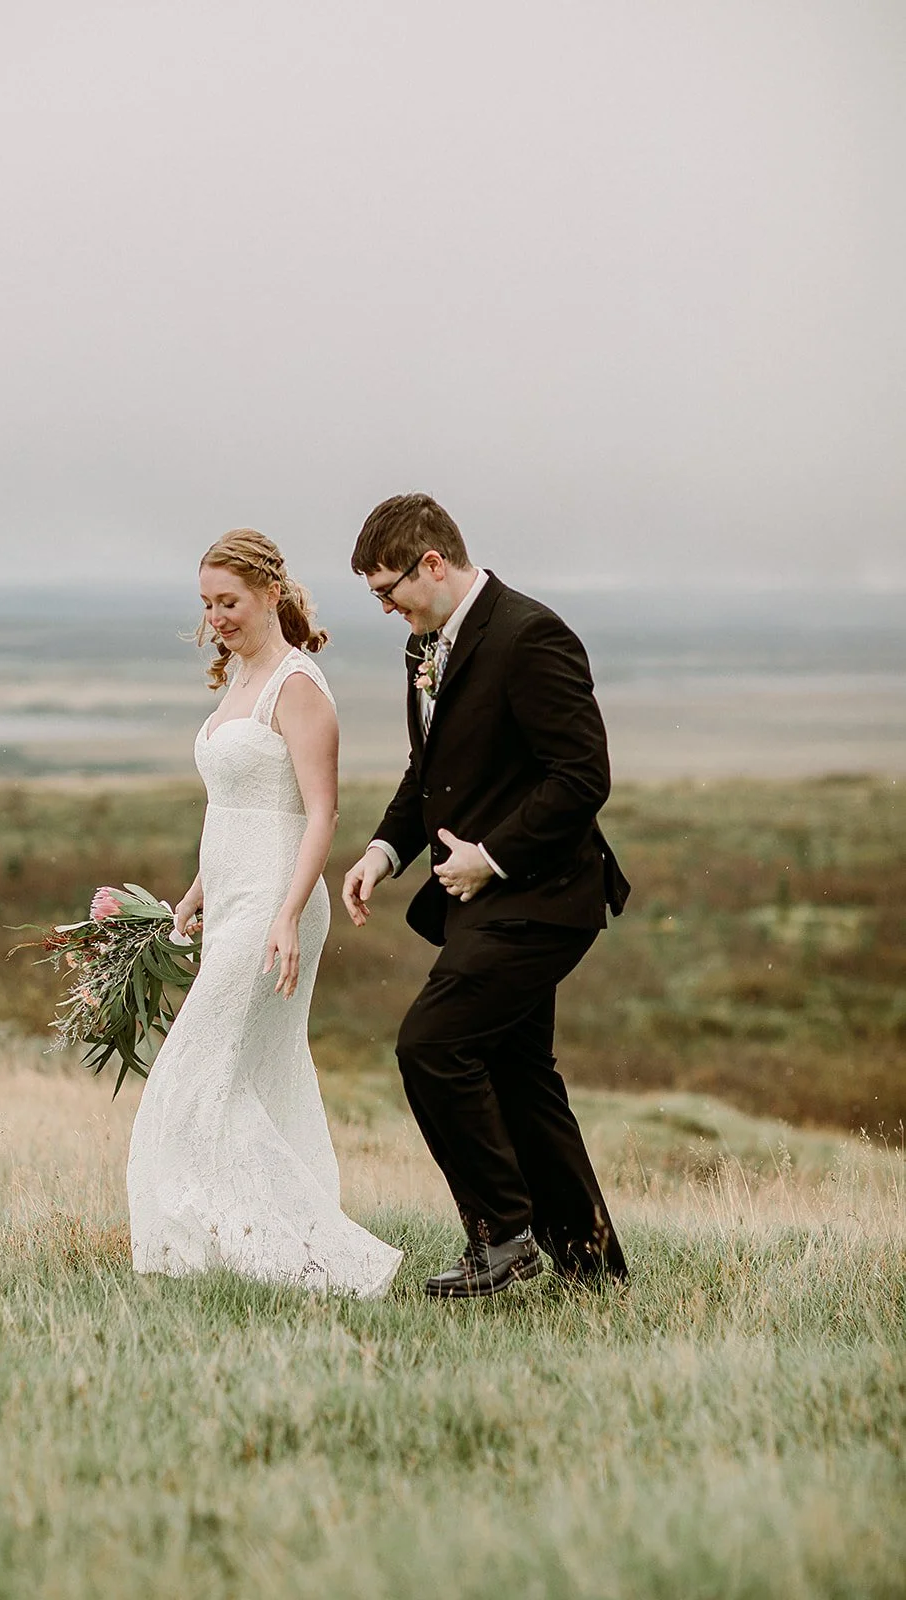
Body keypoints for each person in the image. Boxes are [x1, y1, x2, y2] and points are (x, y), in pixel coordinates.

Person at [342, 493, 629, 1298]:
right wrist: (383, 850)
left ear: (431, 563)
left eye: (386, 590)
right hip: (486, 897)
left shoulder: (529, 635)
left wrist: (492, 858)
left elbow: (582, 778)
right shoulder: (423, 646)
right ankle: (591, 1267)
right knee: (518, 1072)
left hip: (546, 895)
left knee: (432, 1045)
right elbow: (428, 773)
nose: (385, 607)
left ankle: (500, 1236)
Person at [127, 529, 402, 1298]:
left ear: (270, 594)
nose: (216, 617)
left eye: (230, 601)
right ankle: (236, 1241)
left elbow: (319, 814)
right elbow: (236, 809)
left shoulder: (297, 684)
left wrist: (284, 913)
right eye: (207, 604)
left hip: (279, 904)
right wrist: (193, 893)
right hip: (233, 896)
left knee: (198, 1067)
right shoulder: (239, 678)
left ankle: (294, 1252)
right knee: (243, 1070)